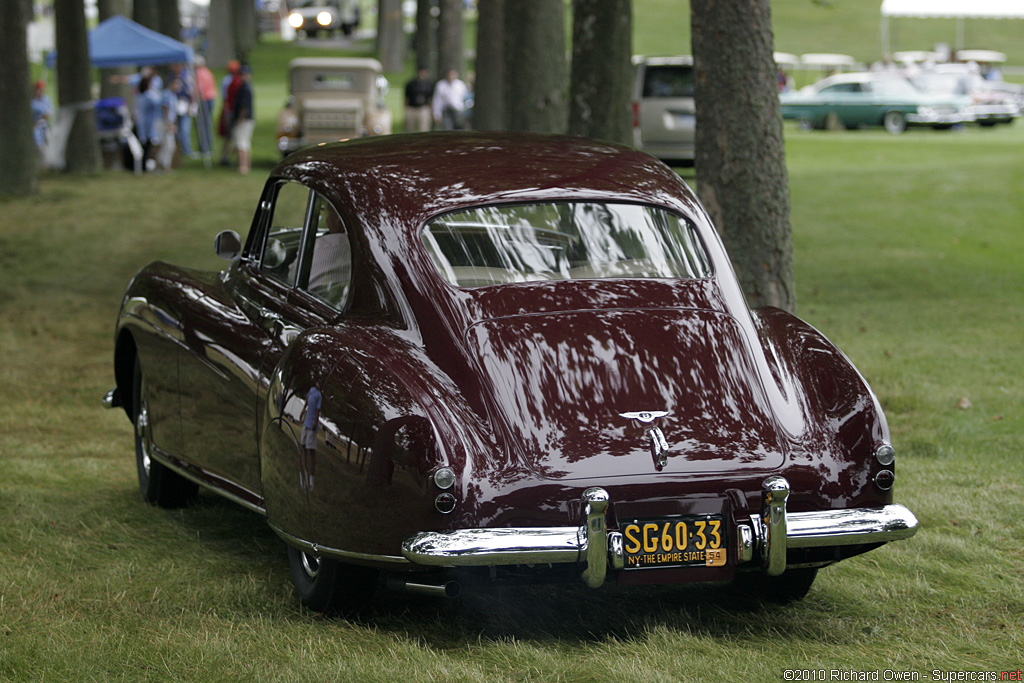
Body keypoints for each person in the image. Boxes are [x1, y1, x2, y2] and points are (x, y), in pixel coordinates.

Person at [307, 203, 351, 308]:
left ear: (338, 220)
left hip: (316, 307)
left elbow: (291, 278)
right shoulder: (371, 249)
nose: (326, 220)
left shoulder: (319, 247)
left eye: (327, 213)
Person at [231, 65, 255, 175]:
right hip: (248, 118)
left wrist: (240, 118)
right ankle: (246, 165)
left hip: (244, 119)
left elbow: (243, 105)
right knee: (245, 142)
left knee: (241, 143)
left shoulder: (244, 88)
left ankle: (243, 166)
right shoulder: (247, 87)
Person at [218, 60, 242, 166]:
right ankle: (226, 157)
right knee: (232, 135)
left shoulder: (227, 80)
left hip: (230, 109)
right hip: (231, 110)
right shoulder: (230, 81)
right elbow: (226, 98)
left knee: (230, 136)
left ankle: (227, 156)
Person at [193, 56, 217, 155]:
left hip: (203, 100)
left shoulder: (198, 74)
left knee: (201, 124)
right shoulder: (208, 72)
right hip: (211, 98)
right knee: (207, 123)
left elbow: (199, 89)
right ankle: (207, 145)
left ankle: (205, 147)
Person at [404, 68, 434, 132]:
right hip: (412, 107)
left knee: (424, 128)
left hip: (423, 108)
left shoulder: (429, 84)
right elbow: (406, 97)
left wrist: (430, 109)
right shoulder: (411, 84)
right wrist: (406, 108)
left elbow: (430, 98)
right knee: (409, 128)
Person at [31, 80, 52, 153]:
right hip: (35, 127)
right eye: (38, 89)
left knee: (49, 146)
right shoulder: (32, 101)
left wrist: (43, 116)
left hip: (44, 126)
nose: (40, 91)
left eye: (41, 89)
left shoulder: (46, 99)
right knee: (39, 147)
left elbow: (49, 114)